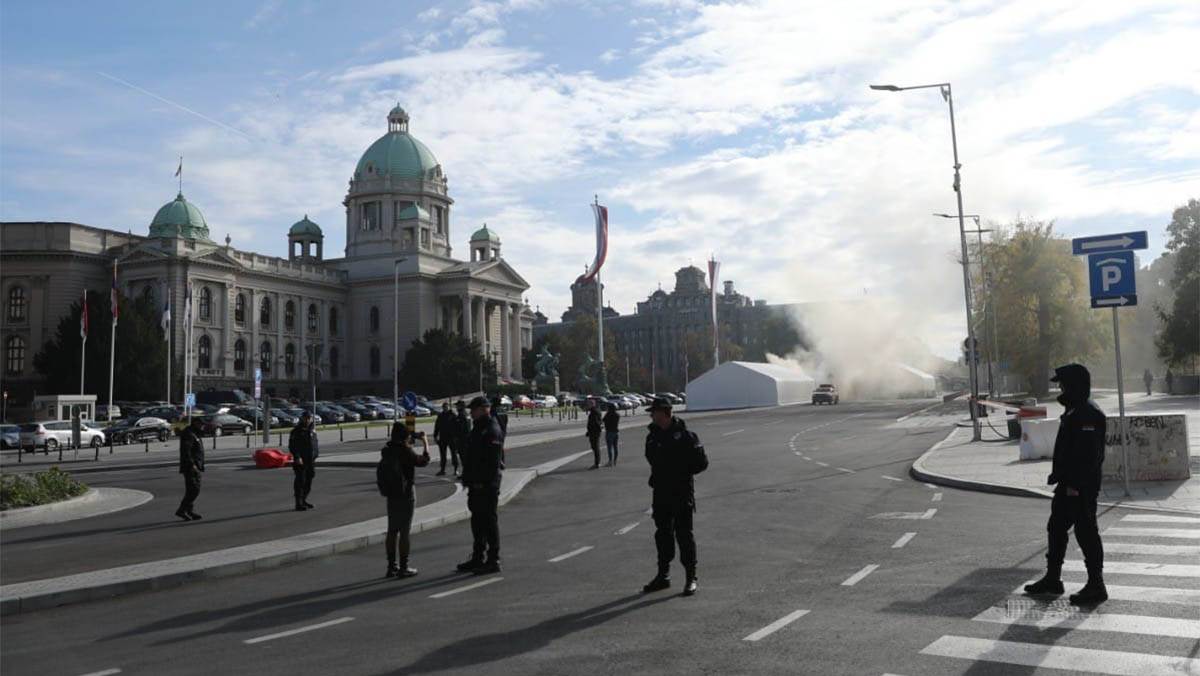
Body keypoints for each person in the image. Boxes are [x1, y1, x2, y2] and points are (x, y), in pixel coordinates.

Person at [1024, 363, 1108, 605]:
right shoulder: (1076, 409)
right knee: (1056, 528)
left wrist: (1075, 485)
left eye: (1062, 384)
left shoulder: (1087, 413)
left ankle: (1096, 585)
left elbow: (1089, 456)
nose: (1060, 388)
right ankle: (1053, 579)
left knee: (1086, 532)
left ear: (1074, 385)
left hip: (1080, 485)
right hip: (1068, 482)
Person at [642, 397, 708, 596]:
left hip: (681, 492)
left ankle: (691, 577)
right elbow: (651, 459)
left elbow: (702, 463)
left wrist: (679, 471)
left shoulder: (686, 436)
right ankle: (663, 576)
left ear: (665, 413)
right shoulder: (652, 436)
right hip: (661, 493)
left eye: (654, 412)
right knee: (662, 534)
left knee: (684, 535)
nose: (652, 416)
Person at [457, 396, 504, 575]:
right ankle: (478, 557)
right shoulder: (478, 428)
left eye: (474, 409)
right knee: (477, 523)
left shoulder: (491, 429)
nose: (471, 412)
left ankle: (493, 559)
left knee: (489, 522)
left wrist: (483, 483)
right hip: (475, 484)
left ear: (485, 409)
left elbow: (492, 462)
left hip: (486, 485)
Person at [378, 422, 431, 578]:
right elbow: (424, 460)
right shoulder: (405, 451)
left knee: (392, 530)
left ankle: (391, 566)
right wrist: (425, 442)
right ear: (404, 436)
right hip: (406, 494)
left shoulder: (387, 450)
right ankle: (404, 567)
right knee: (404, 531)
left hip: (391, 494)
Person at [176, 416, 206, 521]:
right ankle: (182, 510)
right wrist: (192, 464)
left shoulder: (195, 433)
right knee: (194, 490)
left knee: (191, 490)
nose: (202, 426)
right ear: (196, 423)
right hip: (191, 467)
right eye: (201, 424)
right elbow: (186, 451)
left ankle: (189, 511)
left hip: (196, 466)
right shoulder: (189, 433)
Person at [289, 412, 319, 511]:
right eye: (305, 418)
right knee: (300, 481)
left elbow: (314, 443)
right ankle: (298, 503)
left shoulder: (312, 430)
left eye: (309, 418)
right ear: (302, 418)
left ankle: (304, 500)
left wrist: (316, 454)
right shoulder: (296, 431)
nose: (307, 420)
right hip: (301, 460)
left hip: (311, 460)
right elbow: (293, 446)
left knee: (309, 479)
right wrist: (297, 457)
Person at [433, 402, 458, 476]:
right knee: (443, 455)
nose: (445, 408)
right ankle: (442, 470)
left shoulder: (453, 415)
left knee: (454, 454)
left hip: (451, 438)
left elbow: (457, 426)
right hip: (443, 438)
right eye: (444, 407)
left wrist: (456, 436)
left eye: (446, 407)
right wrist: (435, 436)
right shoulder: (440, 416)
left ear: (448, 407)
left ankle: (455, 470)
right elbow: (437, 426)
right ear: (442, 408)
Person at [586, 400, 603, 469]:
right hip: (594, 432)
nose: (588, 405)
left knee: (595, 447)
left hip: (594, 432)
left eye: (589, 404)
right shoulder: (596, 410)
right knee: (595, 447)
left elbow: (595, 422)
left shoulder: (594, 411)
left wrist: (591, 430)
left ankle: (597, 463)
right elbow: (599, 421)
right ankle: (597, 462)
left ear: (592, 404)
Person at [603, 402, 621, 467]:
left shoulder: (608, 414)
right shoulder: (617, 415)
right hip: (616, 432)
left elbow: (603, 420)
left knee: (609, 447)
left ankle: (610, 461)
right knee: (615, 447)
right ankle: (615, 461)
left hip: (609, 432)